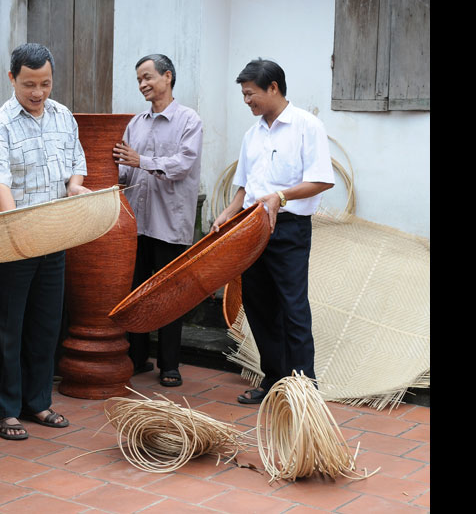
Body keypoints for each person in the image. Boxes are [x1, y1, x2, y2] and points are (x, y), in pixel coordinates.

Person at [0, 43, 90, 440]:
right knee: (7, 324)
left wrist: (76, 189)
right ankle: (4, 410)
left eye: (44, 83)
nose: (38, 92)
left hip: (53, 233)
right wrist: (16, 227)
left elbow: (76, 166)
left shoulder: (64, 117)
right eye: (29, 84)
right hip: (12, 237)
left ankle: (37, 402)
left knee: (46, 323)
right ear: (12, 79)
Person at [211, 58, 334, 405]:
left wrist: (282, 196)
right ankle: (273, 382)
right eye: (244, 95)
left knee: (293, 308)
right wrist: (227, 213)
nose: (247, 101)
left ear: (273, 88)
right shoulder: (252, 135)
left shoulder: (307, 126)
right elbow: (244, 186)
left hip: (289, 230)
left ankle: (304, 389)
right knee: (260, 306)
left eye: (250, 94)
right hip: (251, 229)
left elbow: (322, 179)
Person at [113, 54, 202, 388]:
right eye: (138, 80)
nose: (142, 85)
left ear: (168, 76)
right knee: (136, 292)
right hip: (136, 223)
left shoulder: (189, 120)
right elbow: (125, 169)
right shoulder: (135, 123)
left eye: (148, 77)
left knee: (169, 295)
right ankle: (137, 358)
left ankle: (169, 364)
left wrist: (141, 160)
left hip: (170, 223)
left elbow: (183, 165)